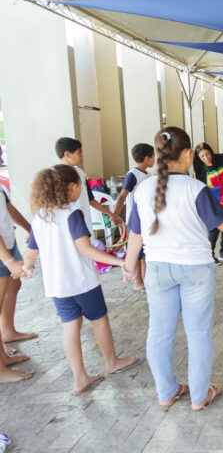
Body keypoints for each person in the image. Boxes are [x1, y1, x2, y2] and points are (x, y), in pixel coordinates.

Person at [122, 127, 223, 410]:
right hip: (195, 269)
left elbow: (135, 235)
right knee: (198, 333)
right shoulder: (196, 189)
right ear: (186, 154)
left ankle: (166, 393)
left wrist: (128, 266)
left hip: (157, 271)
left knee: (159, 333)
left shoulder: (143, 189)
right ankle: (199, 396)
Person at [23, 165, 142, 394]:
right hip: (81, 280)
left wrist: (25, 268)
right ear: (69, 187)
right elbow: (85, 249)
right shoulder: (71, 214)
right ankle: (112, 362)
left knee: (70, 327)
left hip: (57, 286)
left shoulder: (39, 217)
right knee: (99, 321)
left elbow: (30, 253)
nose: (81, 190)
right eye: (79, 185)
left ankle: (79, 378)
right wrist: (120, 262)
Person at [0, 183, 35, 383]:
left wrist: (29, 227)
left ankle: (6, 341)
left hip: (8, 242)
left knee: (13, 286)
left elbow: (9, 207)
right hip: (2, 252)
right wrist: (9, 261)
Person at [55, 137, 122, 235]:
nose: (82, 156)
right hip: (67, 228)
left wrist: (111, 214)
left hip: (85, 225)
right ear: (67, 154)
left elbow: (91, 199)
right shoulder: (55, 176)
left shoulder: (80, 172)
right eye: (79, 153)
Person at [113, 143, 155, 291]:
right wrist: (114, 214)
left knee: (144, 253)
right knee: (137, 253)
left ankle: (144, 280)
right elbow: (122, 196)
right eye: (153, 156)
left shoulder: (148, 176)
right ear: (147, 158)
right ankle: (138, 282)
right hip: (134, 218)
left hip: (146, 218)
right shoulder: (132, 174)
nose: (154, 159)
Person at [194, 143, 223, 265]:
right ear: (199, 158)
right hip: (213, 201)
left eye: (207, 154)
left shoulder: (221, 159)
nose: (206, 157)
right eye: (202, 156)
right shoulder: (200, 172)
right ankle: (210, 255)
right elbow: (199, 190)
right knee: (214, 229)